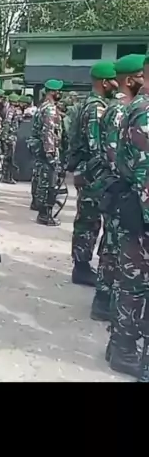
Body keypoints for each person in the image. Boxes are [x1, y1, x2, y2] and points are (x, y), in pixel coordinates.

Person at [90, 55, 144, 323]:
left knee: (114, 244)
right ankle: (105, 298)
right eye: (141, 76)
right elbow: (113, 154)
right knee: (114, 246)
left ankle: (108, 297)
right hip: (119, 188)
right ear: (131, 79)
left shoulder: (123, 107)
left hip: (119, 187)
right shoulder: (121, 109)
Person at [109, 53, 149, 379]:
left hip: (135, 206)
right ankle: (123, 350)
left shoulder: (137, 106)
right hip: (141, 211)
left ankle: (120, 347)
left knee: (132, 282)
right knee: (135, 284)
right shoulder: (145, 111)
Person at [70, 61, 117, 287]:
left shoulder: (87, 104)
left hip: (87, 170)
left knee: (87, 219)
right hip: (93, 173)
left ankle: (82, 265)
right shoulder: (96, 108)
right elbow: (95, 145)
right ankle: (81, 268)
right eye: (114, 80)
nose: (116, 84)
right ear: (105, 82)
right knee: (88, 221)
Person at [31, 79, 64, 227]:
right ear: (52, 92)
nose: (60, 93)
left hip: (41, 149)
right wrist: (51, 154)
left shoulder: (42, 107)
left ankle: (43, 212)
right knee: (49, 183)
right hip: (48, 150)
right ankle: (45, 215)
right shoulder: (49, 109)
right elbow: (48, 131)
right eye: (58, 91)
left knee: (42, 180)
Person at [1, 93, 21, 183]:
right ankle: (7, 177)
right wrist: (5, 136)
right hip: (10, 137)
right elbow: (7, 123)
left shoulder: (11, 110)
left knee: (9, 158)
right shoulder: (11, 111)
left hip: (12, 136)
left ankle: (8, 177)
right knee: (9, 158)